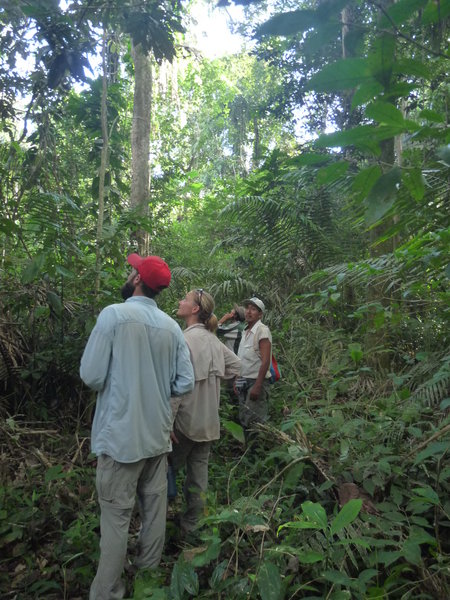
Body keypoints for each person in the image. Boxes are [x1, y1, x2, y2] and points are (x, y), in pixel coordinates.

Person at [80, 254, 195, 600]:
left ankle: (107, 592)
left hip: (120, 439)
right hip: (157, 437)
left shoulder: (114, 315)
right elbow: (185, 382)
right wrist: (155, 389)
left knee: (115, 518)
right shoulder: (172, 327)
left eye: (133, 270)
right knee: (154, 509)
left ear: (136, 280)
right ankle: (147, 577)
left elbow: (91, 375)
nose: (129, 273)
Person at [170, 289, 241, 535]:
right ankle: (192, 527)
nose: (180, 301)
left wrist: (167, 422)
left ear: (195, 309)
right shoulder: (213, 340)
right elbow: (237, 366)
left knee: (164, 474)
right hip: (209, 422)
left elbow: (176, 388)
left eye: (185, 299)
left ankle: (155, 525)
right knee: (198, 479)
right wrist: (215, 381)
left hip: (184, 423)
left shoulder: (184, 339)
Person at [235, 297, 272, 436]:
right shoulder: (245, 331)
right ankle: (247, 451)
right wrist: (237, 379)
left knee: (255, 421)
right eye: (247, 308)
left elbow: (266, 360)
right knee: (244, 416)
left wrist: (258, 385)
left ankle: (255, 452)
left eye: (253, 309)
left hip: (255, 381)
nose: (249, 311)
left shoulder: (262, 330)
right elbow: (243, 359)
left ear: (260, 314)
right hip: (243, 379)